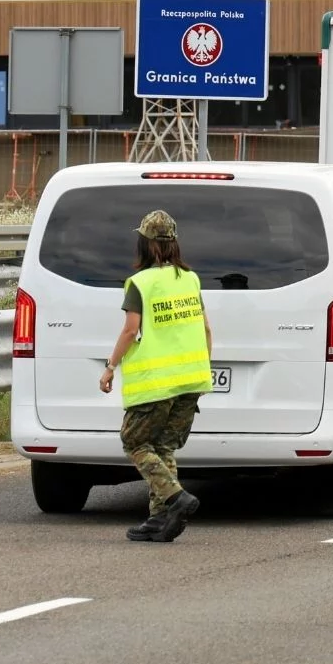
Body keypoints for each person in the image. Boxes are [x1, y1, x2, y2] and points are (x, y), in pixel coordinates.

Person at [100, 210, 214, 542]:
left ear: (146, 244)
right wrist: (203, 368)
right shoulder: (190, 279)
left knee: (134, 442)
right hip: (191, 380)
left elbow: (130, 330)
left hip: (155, 382)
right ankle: (161, 519)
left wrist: (110, 367)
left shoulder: (140, 283)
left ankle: (177, 497)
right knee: (163, 445)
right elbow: (206, 329)